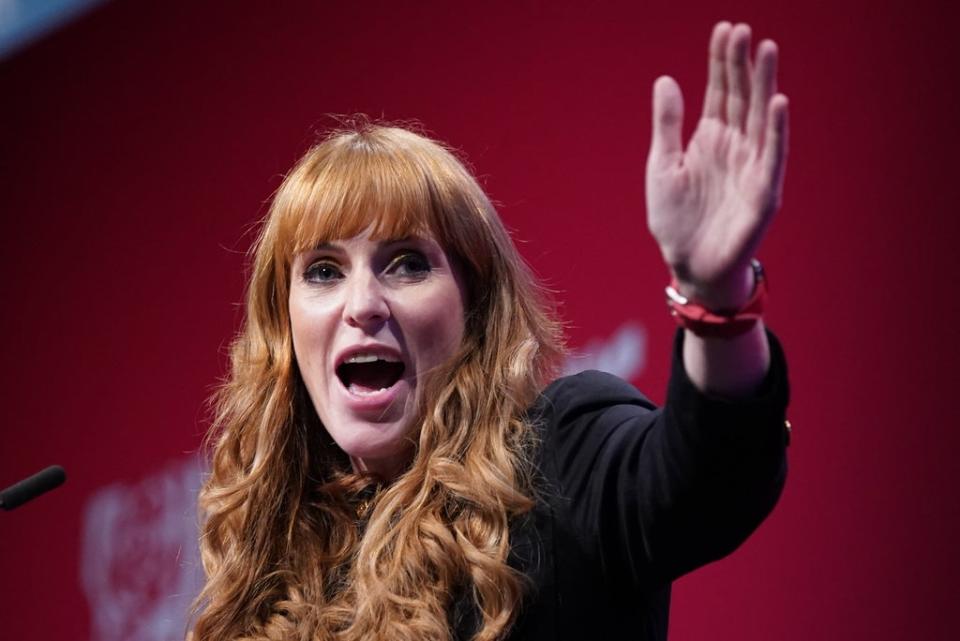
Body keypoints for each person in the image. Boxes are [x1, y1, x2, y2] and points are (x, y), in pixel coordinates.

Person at [191, 20, 790, 641]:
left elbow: (710, 477)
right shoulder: (264, 576)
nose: (362, 304)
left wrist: (717, 300)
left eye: (407, 263)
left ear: (474, 307)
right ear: (283, 326)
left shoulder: (556, 460)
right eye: (323, 271)